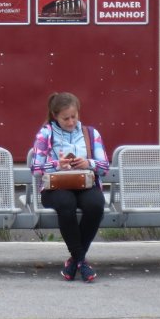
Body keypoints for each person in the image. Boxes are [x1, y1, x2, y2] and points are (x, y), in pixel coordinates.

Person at [30, 92, 110, 282]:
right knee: (66, 203)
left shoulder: (91, 133)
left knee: (96, 204)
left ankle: (74, 261)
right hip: (56, 187)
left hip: (84, 183)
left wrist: (88, 163)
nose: (71, 122)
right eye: (66, 118)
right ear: (55, 116)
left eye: (74, 117)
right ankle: (82, 261)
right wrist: (58, 164)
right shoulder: (45, 133)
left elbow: (105, 167)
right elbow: (35, 168)